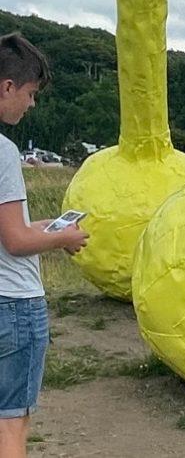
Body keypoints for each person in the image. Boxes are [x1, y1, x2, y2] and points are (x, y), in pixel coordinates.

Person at [0, 33, 89, 458]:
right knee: (11, 424)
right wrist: (63, 237)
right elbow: (17, 242)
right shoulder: (4, 152)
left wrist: (46, 228)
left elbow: (10, 228)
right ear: (7, 87)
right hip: (14, 306)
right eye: (31, 93)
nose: (31, 104)